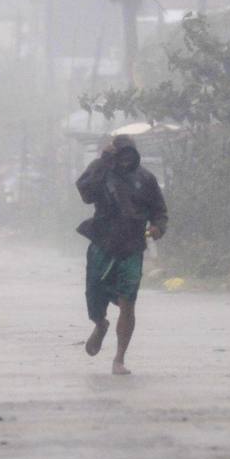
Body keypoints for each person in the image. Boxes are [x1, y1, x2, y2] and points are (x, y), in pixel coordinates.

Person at [75, 134, 167, 375]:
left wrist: (158, 226)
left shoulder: (146, 179)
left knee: (128, 303)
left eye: (130, 155)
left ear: (135, 155)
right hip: (102, 244)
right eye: (120, 155)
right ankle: (100, 323)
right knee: (94, 295)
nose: (125, 160)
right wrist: (103, 161)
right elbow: (85, 192)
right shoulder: (103, 172)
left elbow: (159, 210)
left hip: (132, 247)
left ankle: (119, 358)